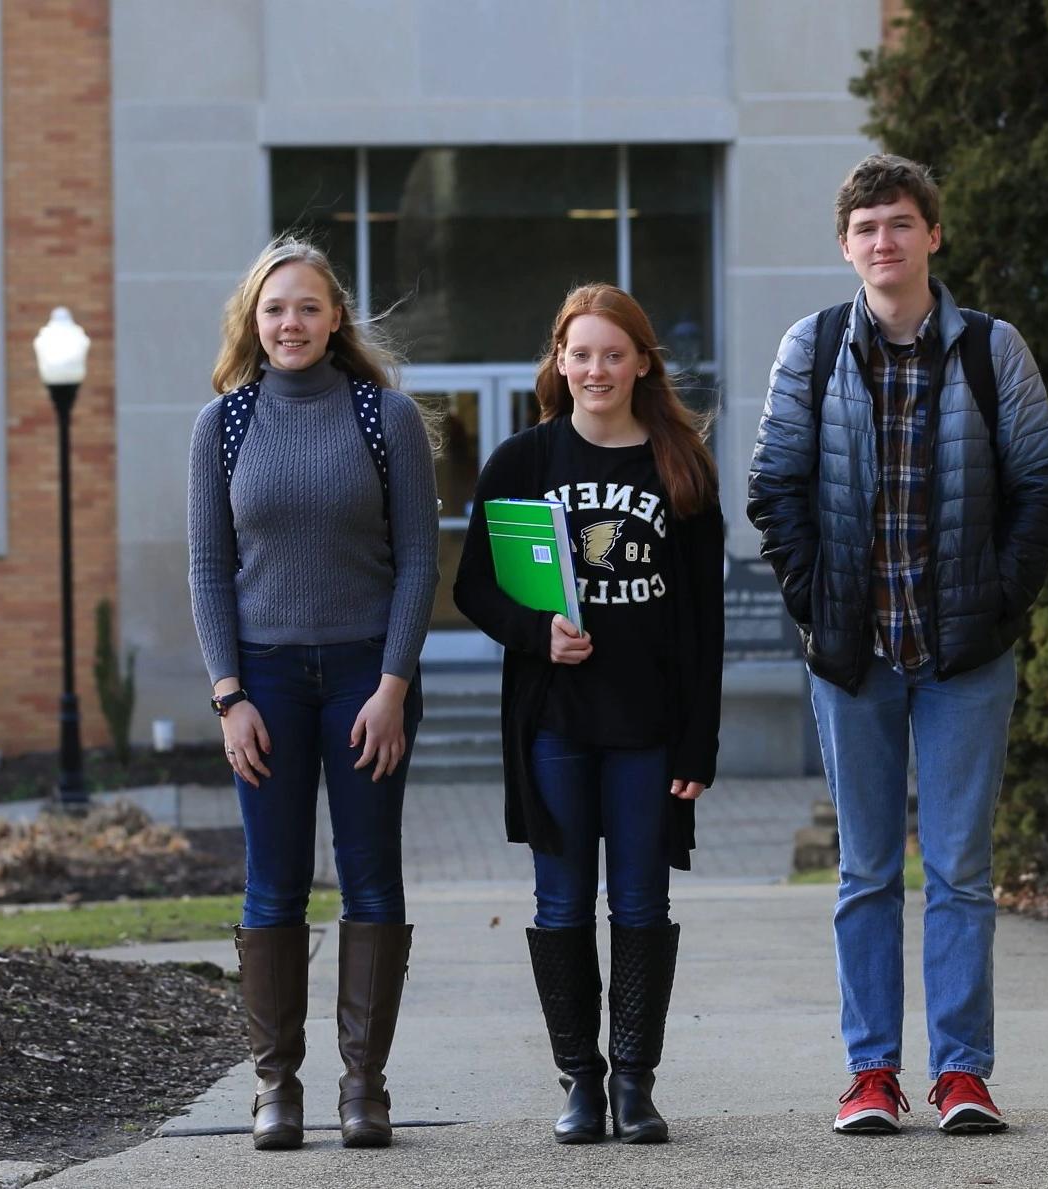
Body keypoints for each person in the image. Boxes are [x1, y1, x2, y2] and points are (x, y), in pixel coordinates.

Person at [745, 155, 1048, 1136]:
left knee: (964, 872)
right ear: (845, 247)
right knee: (868, 874)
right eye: (866, 228)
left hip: (965, 657)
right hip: (855, 657)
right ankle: (872, 1073)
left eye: (899, 223)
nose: (883, 242)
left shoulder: (990, 349)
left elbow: (1043, 489)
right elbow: (775, 490)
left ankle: (964, 1073)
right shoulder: (811, 349)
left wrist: (1000, 606)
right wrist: (816, 607)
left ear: (933, 234)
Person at [453, 283, 725, 1146]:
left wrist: (699, 739)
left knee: (642, 903)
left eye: (614, 353)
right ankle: (580, 1079)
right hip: (554, 726)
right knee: (561, 903)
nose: (596, 369)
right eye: (581, 354)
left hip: (648, 729)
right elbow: (472, 586)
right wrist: (537, 634)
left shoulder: (679, 464)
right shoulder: (522, 461)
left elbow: (704, 621)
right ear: (559, 361)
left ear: (642, 361)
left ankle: (636, 1084)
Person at [187, 237, 439, 1150]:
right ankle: (276, 1089)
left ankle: (364, 1088)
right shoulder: (223, 424)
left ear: (336, 318)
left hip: (367, 679)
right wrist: (228, 695)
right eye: (273, 309)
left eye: (306, 307)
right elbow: (209, 568)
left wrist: (392, 684)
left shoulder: (386, 418)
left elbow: (419, 559)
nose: (289, 323)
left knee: (371, 875)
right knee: (274, 881)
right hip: (264, 685)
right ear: (252, 323)